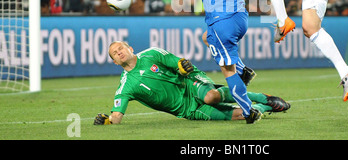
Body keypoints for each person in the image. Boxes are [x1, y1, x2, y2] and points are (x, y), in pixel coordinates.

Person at [147, 0, 261, 123]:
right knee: (206, 38)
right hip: (241, 17)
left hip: (221, 20)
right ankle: (243, 70)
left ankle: (248, 111)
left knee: (228, 70)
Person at [94, 41, 290, 125]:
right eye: (115, 53)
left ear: (130, 48)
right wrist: (108, 120)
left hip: (189, 82)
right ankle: (264, 106)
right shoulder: (125, 86)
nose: (119, 52)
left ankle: (264, 98)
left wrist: (182, 66)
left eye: (121, 48)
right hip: (186, 110)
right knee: (241, 116)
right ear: (115, 62)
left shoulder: (151, 54)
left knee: (211, 96)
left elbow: (177, 62)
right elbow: (117, 115)